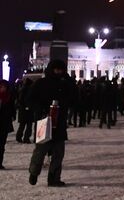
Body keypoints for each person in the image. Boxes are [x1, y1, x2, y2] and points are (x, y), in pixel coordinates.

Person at [28, 59, 76, 187]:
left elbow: (74, 98)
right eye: (56, 70)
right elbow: (30, 99)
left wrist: (70, 81)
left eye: (61, 70)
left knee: (58, 153)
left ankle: (54, 178)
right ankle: (34, 172)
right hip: (44, 122)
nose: (58, 72)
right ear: (51, 69)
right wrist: (41, 110)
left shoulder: (65, 84)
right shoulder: (41, 83)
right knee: (40, 151)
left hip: (59, 124)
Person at [0, 79, 16, 169]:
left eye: (4, 87)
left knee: (1, 145)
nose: (2, 88)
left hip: (4, 124)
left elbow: (12, 108)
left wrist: (12, 115)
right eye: (1, 87)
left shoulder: (8, 97)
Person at [16, 78, 34, 143]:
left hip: (22, 110)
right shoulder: (29, 90)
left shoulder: (22, 89)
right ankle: (26, 138)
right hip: (28, 110)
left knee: (22, 125)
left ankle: (19, 137)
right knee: (29, 125)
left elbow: (20, 100)